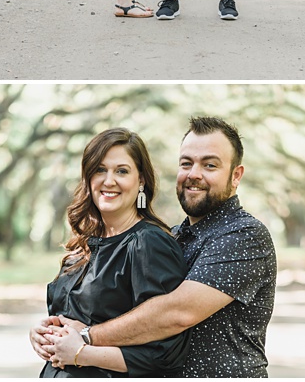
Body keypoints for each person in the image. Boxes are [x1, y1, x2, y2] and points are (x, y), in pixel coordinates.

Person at [39, 116, 278, 378]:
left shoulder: (244, 235)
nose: (194, 174)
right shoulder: (174, 235)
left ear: (236, 175)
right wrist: (49, 334)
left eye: (210, 165)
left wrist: (85, 338)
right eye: (186, 163)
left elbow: (176, 313)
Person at [30, 128, 189, 376]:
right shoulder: (84, 244)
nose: (109, 180)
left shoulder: (149, 244)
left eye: (122, 171)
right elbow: (69, 321)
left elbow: (166, 354)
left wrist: (82, 352)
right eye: (100, 169)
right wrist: (43, 333)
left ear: (141, 181)